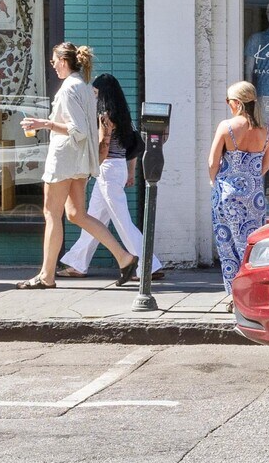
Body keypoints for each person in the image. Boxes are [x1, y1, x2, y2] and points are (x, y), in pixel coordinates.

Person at [18, 43, 134, 289]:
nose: (53, 66)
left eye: (54, 61)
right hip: (79, 161)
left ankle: (46, 276)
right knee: (76, 214)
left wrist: (44, 124)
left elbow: (77, 129)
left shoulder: (69, 88)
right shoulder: (83, 87)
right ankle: (124, 258)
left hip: (64, 159)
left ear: (63, 60)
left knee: (51, 214)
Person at [62, 72, 163, 284]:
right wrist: (130, 172)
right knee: (94, 218)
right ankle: (77, 263)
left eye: (95, 92)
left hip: (106, 169)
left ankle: (148, 266)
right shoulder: (123, 115)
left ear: (103, 93)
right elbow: (133, 148)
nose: (93, 96)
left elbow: (103, 148)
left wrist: (89, 171)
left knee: (122, 220)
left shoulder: (104, 117)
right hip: (117, 168)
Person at [208, 81, 269, 298]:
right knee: (252, 246)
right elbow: (266, 165)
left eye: (228, 101)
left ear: (236, 103)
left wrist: (214, 182)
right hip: (254, 197)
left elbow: (212, 162)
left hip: (227, 194)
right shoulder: (266, 130)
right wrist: (250, 178)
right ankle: (253, 293)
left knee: (228, 247)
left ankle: (234, 296)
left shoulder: (226, 127)